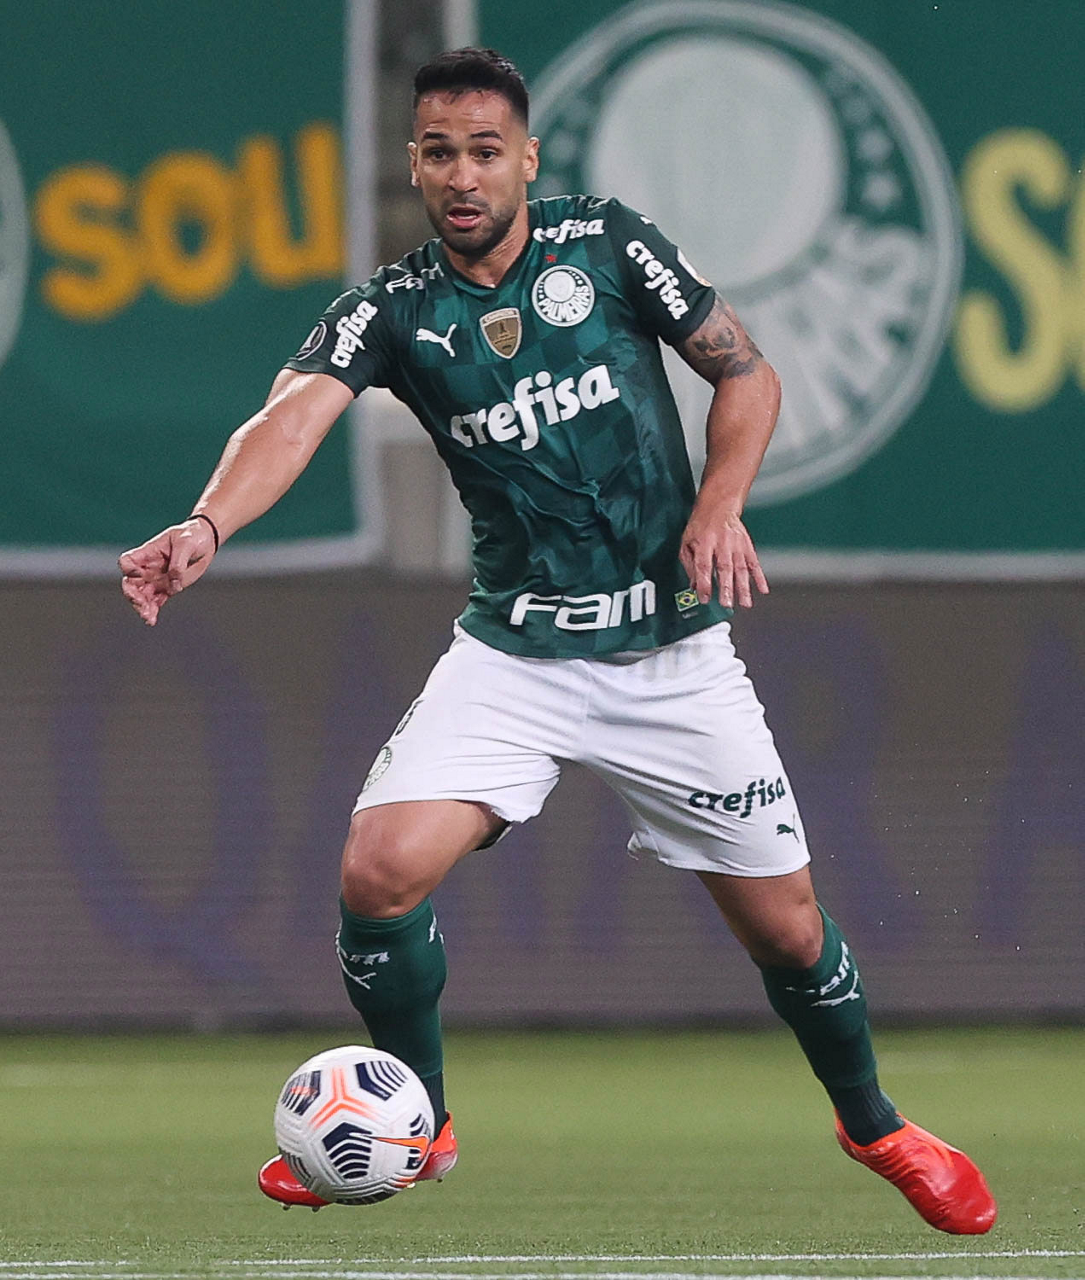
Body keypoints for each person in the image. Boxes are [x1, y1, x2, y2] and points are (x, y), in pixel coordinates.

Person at [119, 48, 996, 1233]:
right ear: (414, 164)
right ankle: (420, 1120)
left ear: (525, 158)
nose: (462, 174)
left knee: (788, 928)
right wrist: (206, 520)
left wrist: (719, 503)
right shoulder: (391, 309)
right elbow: (287, 419)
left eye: (484, 151)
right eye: (439, 152)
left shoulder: (608, 245)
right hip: (513, 656)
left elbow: (744, 373)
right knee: (377, 870)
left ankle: (873, 1122)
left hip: (671, 656)